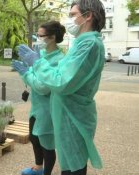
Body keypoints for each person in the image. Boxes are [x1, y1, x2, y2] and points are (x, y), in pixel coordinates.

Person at [15, 0, 106, 174]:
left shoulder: (89, 44)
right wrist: (34, 66)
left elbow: (60, 82)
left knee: (73, 167)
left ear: (88, 16)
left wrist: (34, 66)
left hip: (73, 117)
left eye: (73, 15)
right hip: (67, 114)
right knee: (70, 163)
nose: (69, 19)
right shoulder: (81, 43)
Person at [13, 21, 66, 175]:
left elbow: (42, 88)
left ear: (52, 37)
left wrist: (27, 73)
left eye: (40, 35)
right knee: (34, 138)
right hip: (36, 107)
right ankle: (38, 167)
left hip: (48, 109)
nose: (37, 38)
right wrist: (27, 73)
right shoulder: (40, 54)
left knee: (47, 143)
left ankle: (46, 173)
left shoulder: (59, 60)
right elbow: (33, 82)